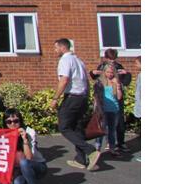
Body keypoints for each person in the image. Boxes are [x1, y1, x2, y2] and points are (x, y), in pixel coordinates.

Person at [50, 38, 101, 171]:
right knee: (77, 128)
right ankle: (80, 159)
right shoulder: (79, 61)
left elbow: (64, 80)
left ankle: (90, 151)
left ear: (63, 47)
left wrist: (55, 98)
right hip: (82, 98)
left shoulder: (65, 60)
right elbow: (86, 82)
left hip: (72, 97)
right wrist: (87, 97)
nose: (55, 51)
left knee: (64, 127)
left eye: (56, 48)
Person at [3, 108, 48, 184]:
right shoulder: (4, 134)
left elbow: (29, 158)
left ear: (20, 120)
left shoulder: (29, 132)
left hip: (37, 165)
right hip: (18, 168)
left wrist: (25, 140)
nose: (12, 124)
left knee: (24, 162)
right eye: (9, 122)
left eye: (16, 121)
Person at [90, 48, 132, 152]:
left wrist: (127, 74)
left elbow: (126, 82)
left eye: (113, 59)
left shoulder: (118, 67)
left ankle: (120, 143)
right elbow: (96, 80)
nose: (112, 61)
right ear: (106, 58)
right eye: (109, 59)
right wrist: (92, 73)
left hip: (115, 100)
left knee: (118, 123)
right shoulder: (102, 67)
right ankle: (104, 145)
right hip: (104, 101)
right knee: (103, 125)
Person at [94, 63, 124, 156]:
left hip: (113, 109)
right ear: (104, 72)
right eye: (108, 72)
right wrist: (96, 109)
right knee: (100, 130)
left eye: (112, 72)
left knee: (112, 130)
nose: (110, 74)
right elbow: (96, 97)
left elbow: (119, 97)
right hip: (102, 109)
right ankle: (97, 149)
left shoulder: (116, 82)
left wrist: (117, 86)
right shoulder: (100, 82)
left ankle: (112, 148)